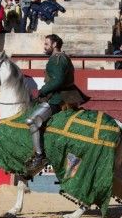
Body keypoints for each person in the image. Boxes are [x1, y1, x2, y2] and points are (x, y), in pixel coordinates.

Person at [25, 34, 89, 176]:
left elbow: (58, 80)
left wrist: (43, 90)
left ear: (54, 45)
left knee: (32, 121)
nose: (45, 47)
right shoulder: (62, 57)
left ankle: (39, 156)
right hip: (61, 95)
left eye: (47, 44)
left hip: (57, 98)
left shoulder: (57, 59)